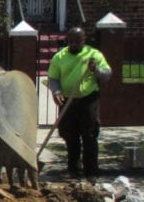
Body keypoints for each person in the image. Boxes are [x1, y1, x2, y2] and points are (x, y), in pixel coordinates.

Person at [47, 26, 112, 180]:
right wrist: (56, 91)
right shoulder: (59, 57)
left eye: (78, 41)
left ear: (84, 40)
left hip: (88, 99)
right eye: (71, 41)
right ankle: (74, 169)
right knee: (70, 136)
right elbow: (53, 78)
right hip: (67, 100)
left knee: (89, 135)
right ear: (67, 41)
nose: (74, 44)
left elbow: (107, 74)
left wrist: (96, 70)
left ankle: (91, 172)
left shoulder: (93, 54)